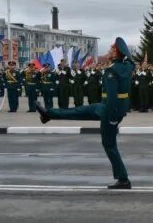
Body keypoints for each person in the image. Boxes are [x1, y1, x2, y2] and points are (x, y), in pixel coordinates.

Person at [36, 37, 135, 189]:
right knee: (78, 111)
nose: (108, 50)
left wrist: (113, 118)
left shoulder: (112, 70)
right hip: (109, 109)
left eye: (111, 48)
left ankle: (123, 179)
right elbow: (131, 62)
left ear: (116, 53)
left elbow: (113, 97)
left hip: (109, 111)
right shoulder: (126, 67)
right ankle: (48, 114)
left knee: (109, 144)